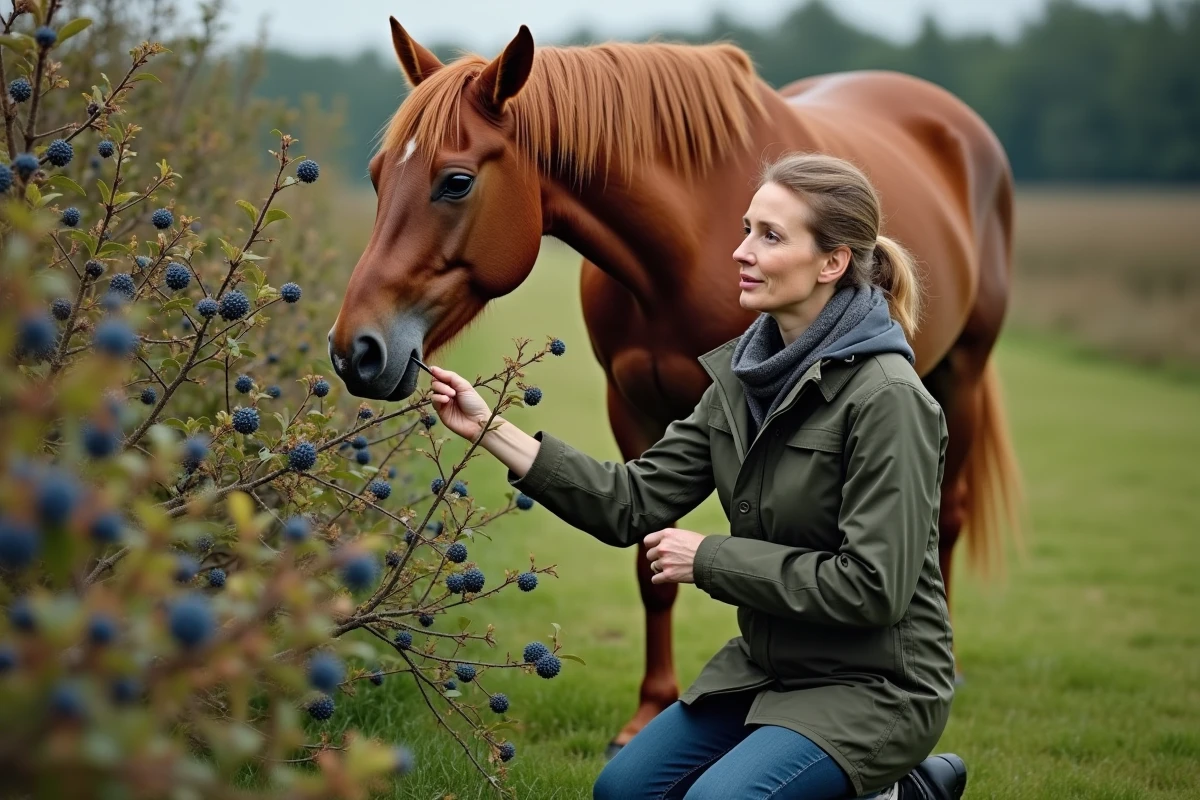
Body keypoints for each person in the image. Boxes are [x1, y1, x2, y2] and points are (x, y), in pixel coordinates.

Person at [427, 153, 967, 800]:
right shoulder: (744, 379)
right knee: (621, 791)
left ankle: (901, 790)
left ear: (832, 263)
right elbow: (631, 502)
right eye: (746, 228)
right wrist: (490, 428)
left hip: (875, 688)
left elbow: (872, 589)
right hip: (766, 670)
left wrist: (710, 558)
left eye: (770, 236)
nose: (740, 251)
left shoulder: (890, 400)